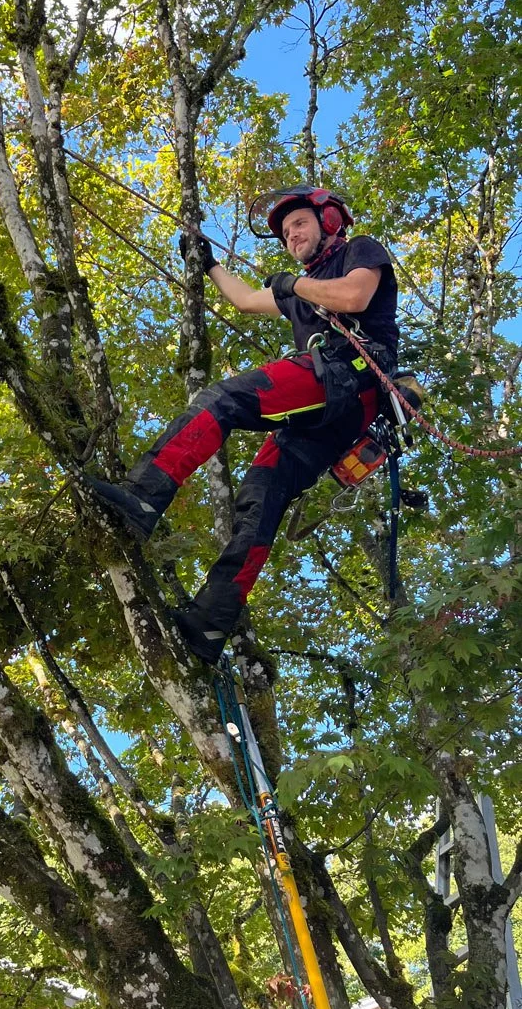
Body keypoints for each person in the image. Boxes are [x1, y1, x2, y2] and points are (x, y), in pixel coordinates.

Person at [86, 185, 400, 666]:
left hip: (346, 376)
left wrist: (293, 285)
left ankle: (145, 495)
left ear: (329, 222)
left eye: (299, 223)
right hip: (334, 412)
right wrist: (208, 263)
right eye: (286, 232)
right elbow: (247, 301)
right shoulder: (303, 291)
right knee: (260, 497)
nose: (292, 235)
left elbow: (355, 296)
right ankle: (211, 622)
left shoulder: (359, 252)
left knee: (224, 399)